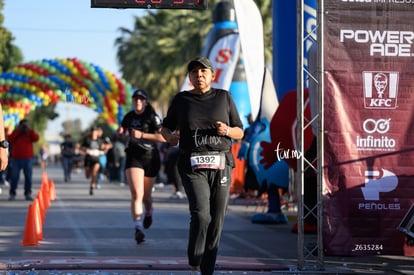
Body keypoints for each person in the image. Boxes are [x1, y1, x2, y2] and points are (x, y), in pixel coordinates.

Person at [161, 56, 244, 275]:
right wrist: (170, 137)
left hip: (221, 162)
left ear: (212, 75)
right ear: (189, 77)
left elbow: (239, 131)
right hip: (192, 162)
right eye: (194, 73)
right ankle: (195, 257)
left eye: (203, 72)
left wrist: (226, 130)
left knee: (217, 218)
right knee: (201, 214)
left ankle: (208, 268)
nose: (199, 76)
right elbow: (166, 128)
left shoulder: (223, 98)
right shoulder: (181, 100)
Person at [116, 89, 165, 244]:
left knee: (146, 196)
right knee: (137, 194)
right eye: (135, 99)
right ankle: (138, 228)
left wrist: (143, 135)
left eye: (141, 99)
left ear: (145, 101)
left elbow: (163, 137)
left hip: (151, 158)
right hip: (134, 157)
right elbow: (122, 132)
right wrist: (121, 133)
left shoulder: (152, 117)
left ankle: (149, 212)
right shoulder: (128, 117)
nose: (138, 101)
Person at [8, 119, 39, 201]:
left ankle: (28, 193)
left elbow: (36, 138)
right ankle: (12, 193)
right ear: (20, 125)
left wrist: (30, 130)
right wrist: (17, 130)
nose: (25, 126)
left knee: (28, 177)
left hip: (27, 159)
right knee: (14, 177)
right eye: (23, 125)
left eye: (26, 125)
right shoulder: (16, 132)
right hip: (16, 159)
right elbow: (9, 139)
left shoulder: (30, 133)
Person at [81, 126, 110, 195]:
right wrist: (86, 150)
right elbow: (82, 147)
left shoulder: (100, 141)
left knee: (94, 172)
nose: (94, 133)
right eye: (93, 131)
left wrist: (106, 148)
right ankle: (90, 174)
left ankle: (92, 187)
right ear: (91, 132)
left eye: (96, 131)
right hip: (88, 159)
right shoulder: (87, 139)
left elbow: (106, 146)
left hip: (96, 158)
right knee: (87, 176)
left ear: (97, 132)